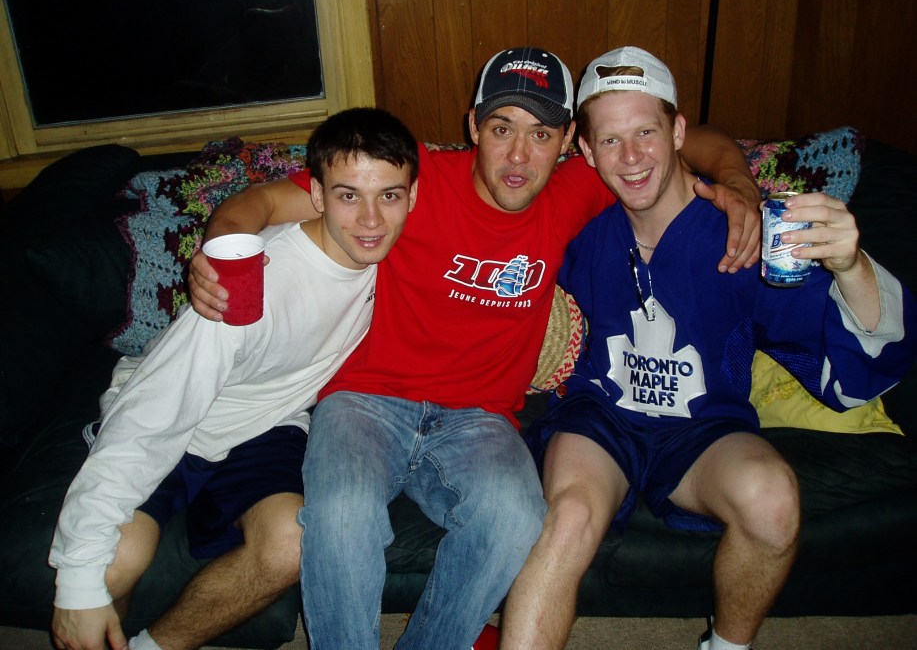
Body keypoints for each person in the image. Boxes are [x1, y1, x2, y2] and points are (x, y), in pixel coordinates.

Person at [188, 47, 763, 649]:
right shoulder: (411, 181)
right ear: (473, 127)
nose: (518, 155)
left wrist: (738, 182)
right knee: (342, 513)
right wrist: (221, 246)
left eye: (540, 134)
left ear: (570, 142)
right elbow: (267, 201)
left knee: (515, 518)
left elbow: (689, 136)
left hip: (480, 419)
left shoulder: (579, 186)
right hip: (365, 399)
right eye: (501, 129)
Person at [501, 46, 917, 650]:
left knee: (773, 500)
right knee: (566, 518)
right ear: (586, 151)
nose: (631, 157)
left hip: (704, 430)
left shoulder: (740, 237)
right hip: (600, 420)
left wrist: (851, 266)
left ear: (677, 132)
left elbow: (861, 368)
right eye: (611, 140)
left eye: (646, 132)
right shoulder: (578, 225)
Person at [47, 107, 419, 650]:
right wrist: (77, 575)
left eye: (388, 196)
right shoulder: (248, 285)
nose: (370, 220)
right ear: (316, 195)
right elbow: (155, 411)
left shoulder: (402, 251)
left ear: (412, 197)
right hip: (182, 419)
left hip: (268, 421)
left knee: (291, 543)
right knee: (111, 566)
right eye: (348, 196)